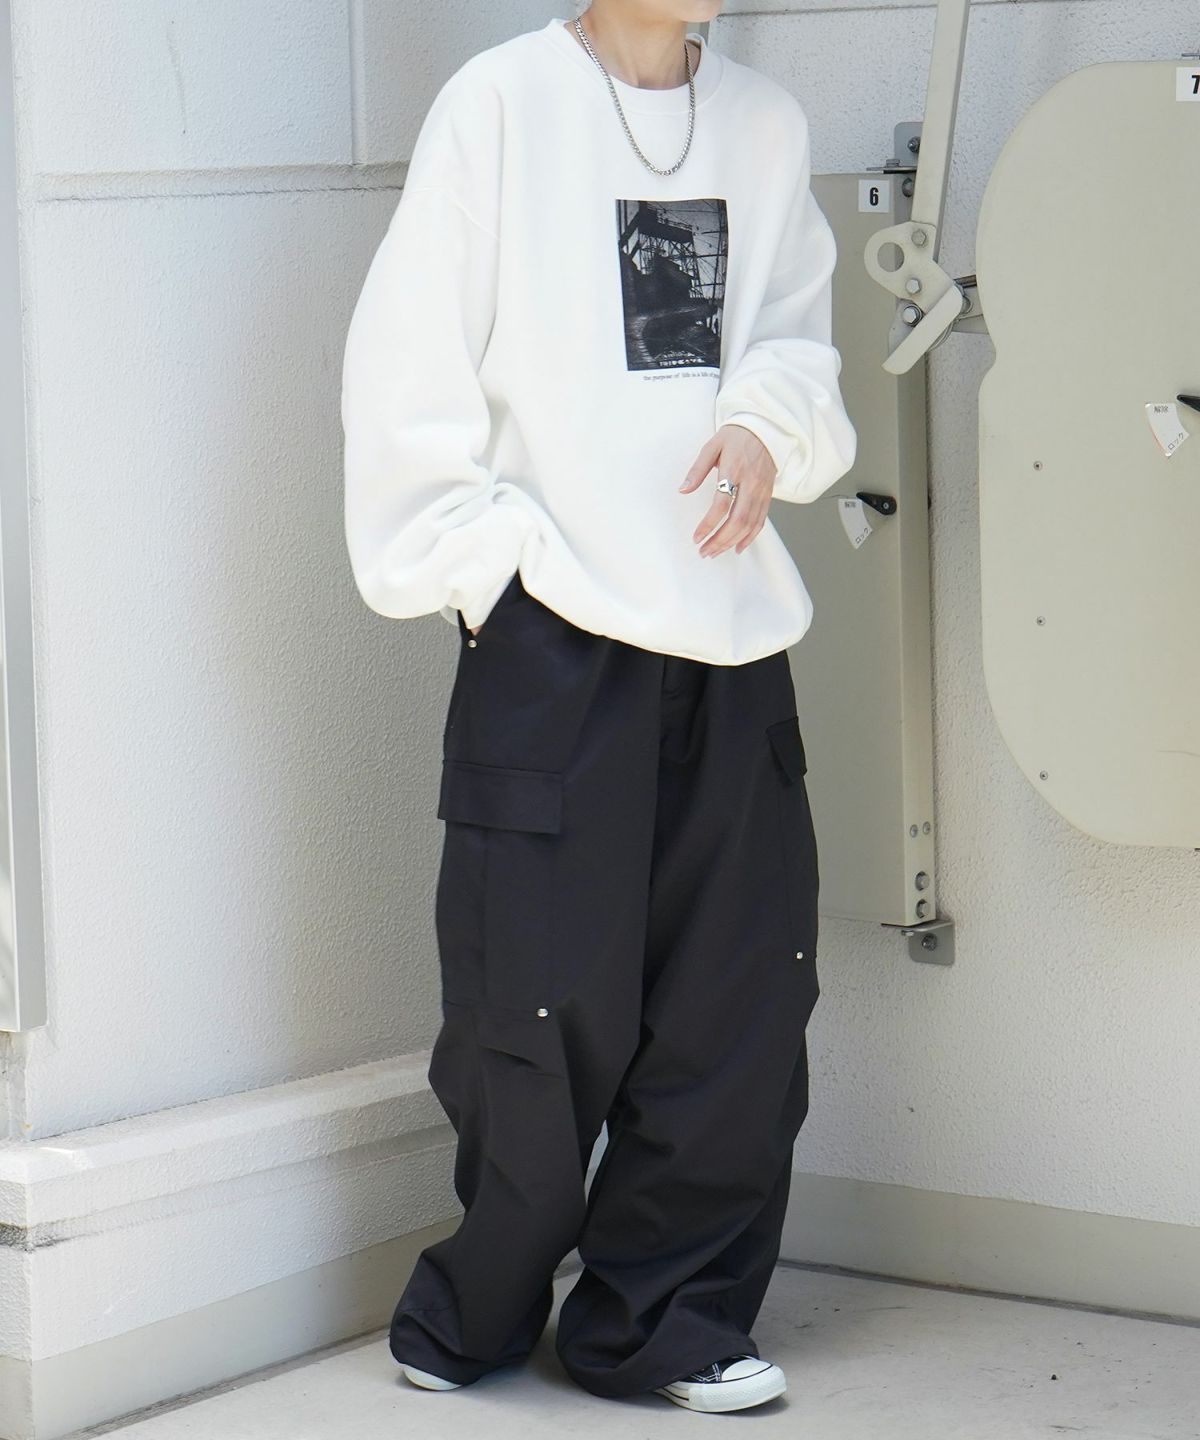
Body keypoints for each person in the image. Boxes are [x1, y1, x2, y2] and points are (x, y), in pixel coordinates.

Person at [340, 0, 857, 1415]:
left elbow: (796, 341)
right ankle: (485, 1298)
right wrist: (486, 580)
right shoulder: (501, 106)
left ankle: (666, 1322)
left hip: (732, 635)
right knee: (530, 1002)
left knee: (741, 1000)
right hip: (555, 634)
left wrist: (764, 427)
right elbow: (406, 370)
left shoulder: (762, 126)